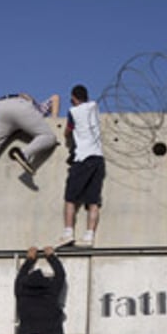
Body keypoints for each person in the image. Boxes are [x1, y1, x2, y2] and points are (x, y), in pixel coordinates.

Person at [59, 84, 105, 248]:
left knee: (70, 198)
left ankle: (68, 233)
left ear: (73, 98)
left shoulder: (73, 112)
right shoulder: (94, 107)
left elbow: (67, 131)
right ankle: (89, 237)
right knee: (93, 201)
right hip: (98, 159)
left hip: (83, 158)